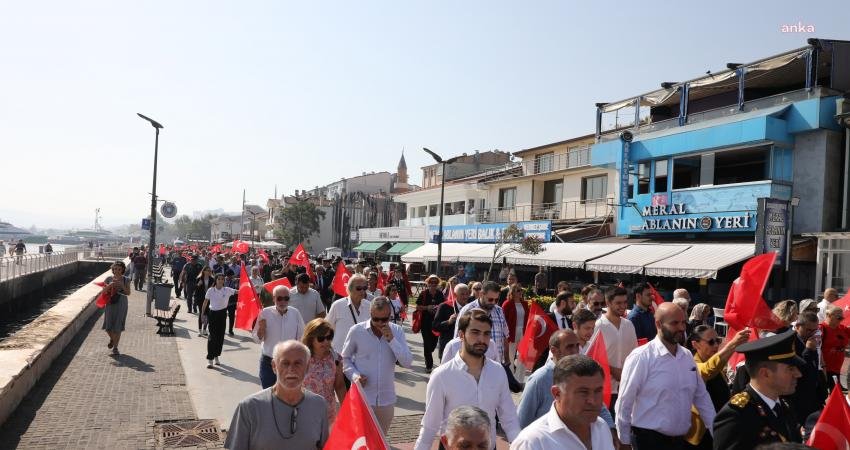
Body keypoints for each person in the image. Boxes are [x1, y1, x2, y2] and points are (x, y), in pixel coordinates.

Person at [414, 308, 521, 450]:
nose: (482, 339)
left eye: (486, 334)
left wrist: (520, 445)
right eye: (475, 332)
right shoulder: (442, 376)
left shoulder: (498, 371)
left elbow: (509, 418)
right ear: (461, 335)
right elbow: (429, 426)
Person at [616, 303, 715, 450]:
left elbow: (701, 397)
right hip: (647, 441)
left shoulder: (687, 356)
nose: (681, 328)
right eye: (675, 323)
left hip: (680, 441)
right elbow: (625, 401)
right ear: (658, 324)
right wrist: (624, 442)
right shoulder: (641, 357)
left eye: (683, 322)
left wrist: (717, 432)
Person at [224, 340, 329, 449]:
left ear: (307, 367)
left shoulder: (319, 405)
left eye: (298, 363)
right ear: (274, 366)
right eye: (285, 363)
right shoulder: (249, 407)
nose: (291, 369)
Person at [712, 329, 805, 449]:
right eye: (790, 369)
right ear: (765, 373)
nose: (798, 374)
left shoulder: (783, 405)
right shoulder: (736, 416)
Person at [517, 330, 615, 435]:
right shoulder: (539, 379)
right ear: (554, 351)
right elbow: (522, 421)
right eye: (569, 347)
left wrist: (611, 430)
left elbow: (600, 408)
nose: (575, 351)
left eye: (577, 346)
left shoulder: (582, 373)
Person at [511, 355, 617, 450]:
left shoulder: (602, 427)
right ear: (557, 393)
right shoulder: (532, 442)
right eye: (583, 392)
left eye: (598, 391)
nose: (592, 401)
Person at [341, 297, 413, 433]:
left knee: (380, 442)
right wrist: (355, 376)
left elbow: (407, 362)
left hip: (386, 400)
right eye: (376, 319)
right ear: (370, 314)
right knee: (360, 440)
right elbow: (345, 359)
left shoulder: (397, 331)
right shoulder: (356, 331)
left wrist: (392, 340)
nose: (380, 323)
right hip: (362, 398)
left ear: (390, 315)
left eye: (384, 319)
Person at [685, 325, 751, 449]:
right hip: (701, 435)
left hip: (719, 427)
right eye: (711, 342)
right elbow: (707, 370)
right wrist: (733, 344)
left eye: (718, 341)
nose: (716, 345)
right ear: (695, 344)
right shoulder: (691, 365)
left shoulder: (717, 363)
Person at [594, 287, 637, 418]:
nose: (623, 306)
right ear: (608, 303)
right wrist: (613, 370)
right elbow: (594, 357)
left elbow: (635, 354)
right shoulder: (598, 326)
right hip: (606, 390)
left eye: (625, 302)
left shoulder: (629, 325)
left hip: (627, 388)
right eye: (618, 303)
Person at [254, 285, 305, 388]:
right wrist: (261, 331)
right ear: (273, 298)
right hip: (269, 362)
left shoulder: (295, 313)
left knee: (288, 395)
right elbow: (256, 339)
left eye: (286, 298)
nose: (283, 302)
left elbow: (302, 337)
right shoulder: (265, 313)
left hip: (290, 363)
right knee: (268, 394)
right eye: (279, 298)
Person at [301, 318, 347, 426]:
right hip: (304, 414)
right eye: (321, 338)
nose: (326, 341)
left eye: (329, 337)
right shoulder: (301, 358)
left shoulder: (336, 358)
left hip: (328, 414)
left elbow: (339, 386)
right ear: (311, 338)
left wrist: (346, 411)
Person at [787, 311, 825, 426]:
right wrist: (808, 351)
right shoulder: (790, 341)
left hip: (813, 399)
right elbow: (799, 370)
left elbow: (815, 367)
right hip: (798, 399)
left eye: (815, 330)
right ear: (798, 326)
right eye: (808, 330)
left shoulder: (812, 341)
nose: (812, 333)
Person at [325, 274, 371, 356]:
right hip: (340, 356)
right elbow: (326, 328)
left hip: (362, 356)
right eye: (359, 288)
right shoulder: (338, 305)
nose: (362, 291)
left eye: (365, 288)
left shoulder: (369, 306)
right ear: (350, 288)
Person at [201, 273, 237, 368]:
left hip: (222, 314)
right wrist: (202, 314)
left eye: (222, 279)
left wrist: (251, 287)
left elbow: (239, 291)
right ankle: (210, 359)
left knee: (220, 337)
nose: (221, 281)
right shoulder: (211, 290)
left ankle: (216, 356)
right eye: (219, 279)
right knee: (212, 337)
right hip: (213, 314)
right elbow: (205, 302)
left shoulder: (227, 290)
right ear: (216, 280)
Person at [433, 283, 471, 359]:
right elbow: (435, 326)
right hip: (448, 346)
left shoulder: (471, 308)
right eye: (462, 294)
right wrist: (448, 322)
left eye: (467, 294)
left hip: (465, 348)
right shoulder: (444, 306)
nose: (465, 297)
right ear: (455, 294)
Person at [101, 261, 131, 356]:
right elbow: (103, 292)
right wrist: (110, 285)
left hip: (121, 303)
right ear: (112, 269)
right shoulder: (108, 279)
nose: (117, 271)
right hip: (110, 302)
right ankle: (113, 339)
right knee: (108, 327)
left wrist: (121, 285)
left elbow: (128, 293)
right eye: (115, 269)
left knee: (117, 327)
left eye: (119, 269)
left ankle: (116, 348)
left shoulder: (126, 279)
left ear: (122, 269)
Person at [416, 274, 445, 373]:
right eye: (431, 282)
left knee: (433, 344)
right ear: (428, 283)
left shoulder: (440, 294)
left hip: (436, 322)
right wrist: (427, 307)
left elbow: (443, 306)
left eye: (435, 282)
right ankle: (429, 364)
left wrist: (437, 308)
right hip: (425, 322)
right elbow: (418, 307)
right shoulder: (423, 293)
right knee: (427, 344)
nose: (433, 284)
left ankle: (428, 353)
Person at [502, 283, 529, 383]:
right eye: (518, 290)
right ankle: (510, 379)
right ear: (512, 292)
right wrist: (505, 334)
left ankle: (520, 379)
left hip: (523, 332)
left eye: (521, 290)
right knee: (510, 357)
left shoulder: (525, 304)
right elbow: (503, 320)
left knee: (522, 357)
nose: (520, 292)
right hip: (511, 333)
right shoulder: (507, 304)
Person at [818, 304, 849, 390]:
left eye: (842, 318)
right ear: (828, 315)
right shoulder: (821, 328)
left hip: (837, 368)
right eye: (839, 318)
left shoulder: (842, 328)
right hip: (825, 369)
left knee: (835, 393)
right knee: (827, 394)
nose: (841, 320)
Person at [195, 266, 215, 335]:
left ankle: (204, 329)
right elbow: (195, 290)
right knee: (201, 313)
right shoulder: (199, 278)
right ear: (204, 271)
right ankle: (200, 330)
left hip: (209, 299)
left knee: (207, 314)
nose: (209, 272)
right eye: (208, 271)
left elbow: (214, 290)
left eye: (210, 271)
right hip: (200, 299)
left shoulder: (212, 280)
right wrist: (198, 285)